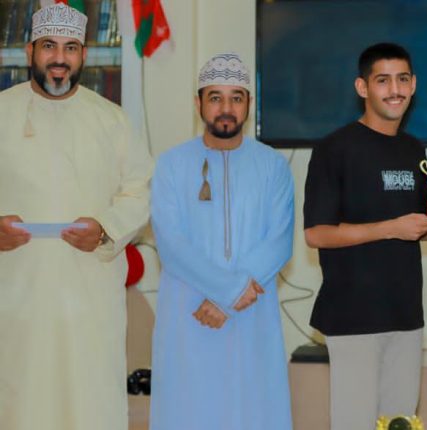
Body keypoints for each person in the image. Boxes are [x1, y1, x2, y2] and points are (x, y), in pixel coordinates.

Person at [0, 4, 152, 430]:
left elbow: (139, 191)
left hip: (89, 298)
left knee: (89, 405)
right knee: (19, 403)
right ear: (30, 51)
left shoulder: (112, 120)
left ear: (83, 55)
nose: (59, 58)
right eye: (49, 46)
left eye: (70, 48)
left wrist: (105, 230)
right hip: (15, 296)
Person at [149, 52, 294, 430]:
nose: (226, 108)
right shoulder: (171, 165)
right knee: (190, 408)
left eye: (236, 98)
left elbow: (279, 242)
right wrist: (229, 291)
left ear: (248, 104)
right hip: (190, 313)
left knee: (253, 408)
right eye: (215, 97)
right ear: (198, 103)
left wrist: (227, 299)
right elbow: (171, 244)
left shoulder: (273, 166)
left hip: (251, 313)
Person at [303, 42, 427, 430]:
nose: (394, 90)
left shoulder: (414, 149)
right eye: (383, 80)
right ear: (363, 87)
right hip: (353, 316)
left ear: (413, 85)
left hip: (406, 315)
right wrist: (391, 228)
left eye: (402, 79)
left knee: (399, 423)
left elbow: (419, 225)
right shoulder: (334, 149)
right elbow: (316, 233)